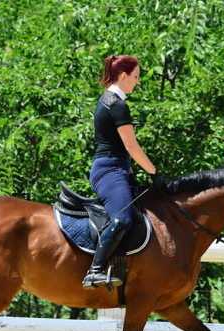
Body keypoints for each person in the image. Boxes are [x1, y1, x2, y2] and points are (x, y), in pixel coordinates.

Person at [82, 54, 164, 290]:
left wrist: (130, 173)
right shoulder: (117, 105)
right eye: (136, 77)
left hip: (115, 167)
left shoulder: (107, 98)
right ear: (124, 75)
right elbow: (130, 146)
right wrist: (153, 173)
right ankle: (95, 270)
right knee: (123, 219)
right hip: (109, 171)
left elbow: (119, 148)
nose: (138, 82)